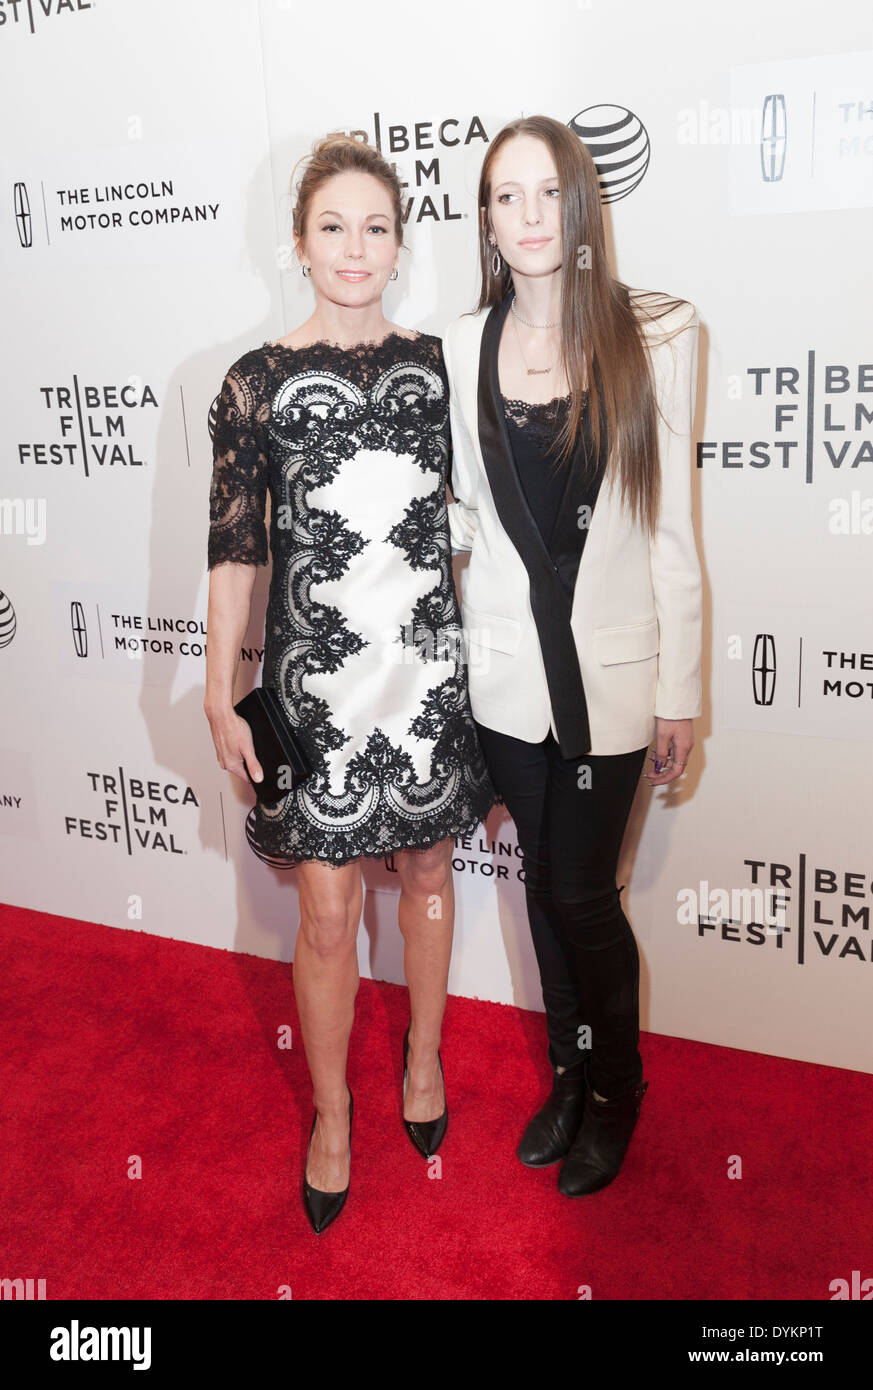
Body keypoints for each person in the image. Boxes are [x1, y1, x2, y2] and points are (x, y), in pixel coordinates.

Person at [204, 134, 496, 1233]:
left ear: (399, 243)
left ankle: (423, 1060)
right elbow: (236, 553)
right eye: (334, 226)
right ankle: (333, 1116)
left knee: (426, 867)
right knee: (324, 916)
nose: (355, 246)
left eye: (376, 226)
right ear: (299, 243)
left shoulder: (442, 367)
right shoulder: (253, 385)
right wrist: (216, 686)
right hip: (311, 686)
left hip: (424, 674)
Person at [443, 115, 702, 1196]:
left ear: (582, 204)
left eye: (548, 192)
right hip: (508, 682)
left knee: (583, 895)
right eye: (507, 196)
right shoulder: (459, 347)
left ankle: (617, 1093)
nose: (530, 216)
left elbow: (675, 530)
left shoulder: (662, 334)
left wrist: (680, 688)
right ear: (488, 220)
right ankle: (568, 1073)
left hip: (611, 680)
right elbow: (459, 520)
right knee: (543, 892)